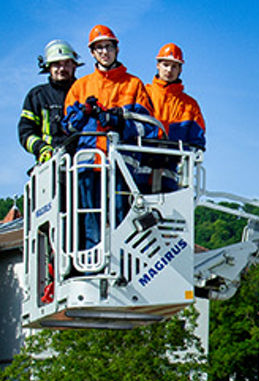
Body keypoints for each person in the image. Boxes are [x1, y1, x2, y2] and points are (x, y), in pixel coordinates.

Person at [63, 26, 157, 249]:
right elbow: (67, 126)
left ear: (116, 49)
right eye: (99, 48)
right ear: (92, 53)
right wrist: (85, 112)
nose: (104, 52)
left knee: (120, 216)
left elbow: (150, 128)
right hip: (88, 164)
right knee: (89, 219)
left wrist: (121, 123)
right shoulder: (81, 86)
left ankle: (122, 264)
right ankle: (93, 262)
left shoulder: (133, 85)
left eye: (108, 47)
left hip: (121, 164)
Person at [145, 42, 205, 192]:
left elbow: (197, 142)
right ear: (158, 65)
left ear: (180, 69)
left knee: (168, 212)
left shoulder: (190, 105)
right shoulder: (144, 94)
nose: (169, 70)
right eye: (166, 65)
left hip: (172, 172)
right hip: (141, 169)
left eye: (174, 66)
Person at [19, 39, 82, 162]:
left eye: (66, 63)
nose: (62, 68)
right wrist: (41, 148)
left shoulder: (85, 92)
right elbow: (25, 132)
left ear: (74, 65)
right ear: (48, 67)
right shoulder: (37, 96)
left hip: (84, 162)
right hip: (50, 164)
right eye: (57, 64)